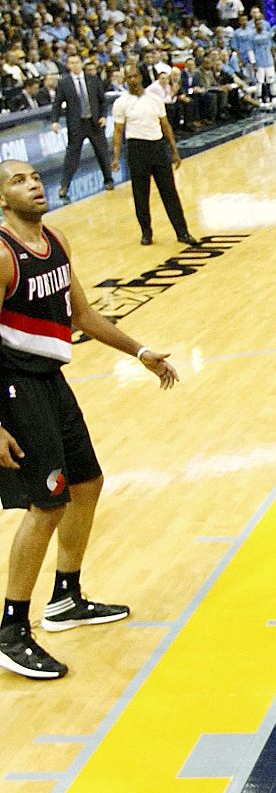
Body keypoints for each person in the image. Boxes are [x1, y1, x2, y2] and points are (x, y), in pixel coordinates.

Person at [0, 160, 179, 680]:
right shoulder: (4, 254)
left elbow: (82, 315)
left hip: (50, 380)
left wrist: (140, 352)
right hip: (15, 387)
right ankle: (11, 629)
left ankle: (65, 596)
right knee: (47, 503)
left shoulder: (55, 240)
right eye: (18, 180)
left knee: (87, 483)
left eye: (35, 177)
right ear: (3, 200)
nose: (33, 184)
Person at [109, 65, 197, 248]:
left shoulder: (154, 99)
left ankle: (182, 232)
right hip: (136, 148)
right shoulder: (121, 102)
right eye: (129, 77)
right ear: (125, 80)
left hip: (157, 147)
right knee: (141, 194)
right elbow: (118, 132)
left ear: (140, 77)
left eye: (135, 76)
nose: (133, 80)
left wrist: (174, 151)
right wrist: (116, 157)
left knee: (169, 192)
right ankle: (146, 233)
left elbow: (166, 126)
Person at [50, 55, 115, 199]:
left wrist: (103, 116)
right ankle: (64, 186)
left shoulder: (93, 79)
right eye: (71, 63)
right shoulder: (64, 83)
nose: (75, 65)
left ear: (81, 64)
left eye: (77, 62)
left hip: (94, 122)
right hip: (76, 124)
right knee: (72, 155)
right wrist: (54, 120)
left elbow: (102, 101)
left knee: (102, 152)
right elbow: (57, 103)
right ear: (68, 65)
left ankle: (108, 179)